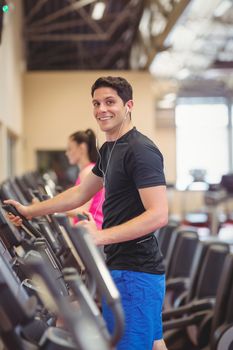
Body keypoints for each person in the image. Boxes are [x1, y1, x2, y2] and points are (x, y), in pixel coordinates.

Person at [5, 76, 168, 350]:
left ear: (129, 105)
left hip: (135, 272)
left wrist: (99, 237)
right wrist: (29, 211)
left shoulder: (141, 151)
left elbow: (158, 215)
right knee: (153, 343)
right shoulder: (109, 149)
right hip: (124, 266)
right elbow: (80, 194)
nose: (101, 109)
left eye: (109, 102)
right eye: (96, 103)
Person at [65, 128, 103, 229]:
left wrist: (51, 209)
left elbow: (82, 211)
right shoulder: (89, 169)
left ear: (82, 148)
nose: (66, 153)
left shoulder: (88, 172)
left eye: (70, 149)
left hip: (93, 230)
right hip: (89, 228)